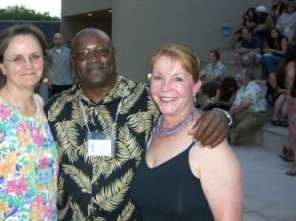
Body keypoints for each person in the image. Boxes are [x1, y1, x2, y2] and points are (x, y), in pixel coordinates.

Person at [45, 28, 231, 220]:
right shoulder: (54, 109)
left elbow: (186, 115)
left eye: (102, 51)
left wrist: (221, 114)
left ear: (114, 54)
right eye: (82, 54)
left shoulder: (147, 98)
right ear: (73, 61)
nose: (93, 59)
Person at [131, 44, 243, 220]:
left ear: (196, 87)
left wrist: (222, 114)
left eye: (178, 79)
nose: (165, 87)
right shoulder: (148, 129)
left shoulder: (209, 143)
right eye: (158, 77)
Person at [0, 24, 58, 220]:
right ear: (1, 65)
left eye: (35, 56)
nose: (29, 65)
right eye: (17, 59)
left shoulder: (39, 105)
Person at [229, 68, 267, 144]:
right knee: (227, 119)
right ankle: (227, 135)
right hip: (244, 113)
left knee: (242, 126)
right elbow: (235, 104)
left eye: (242, 75)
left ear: (248, 76)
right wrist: (229, 114)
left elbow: (245, 105)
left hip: (257, 115)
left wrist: (232, 113)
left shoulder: (254, 87)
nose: (240, 76)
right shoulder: (241, 90)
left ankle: (231, 138)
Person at [284, 43, 296, 175]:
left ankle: (294, 166)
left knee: (294, 135)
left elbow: (290, 76)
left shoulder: (291, 64)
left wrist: (288, 93)